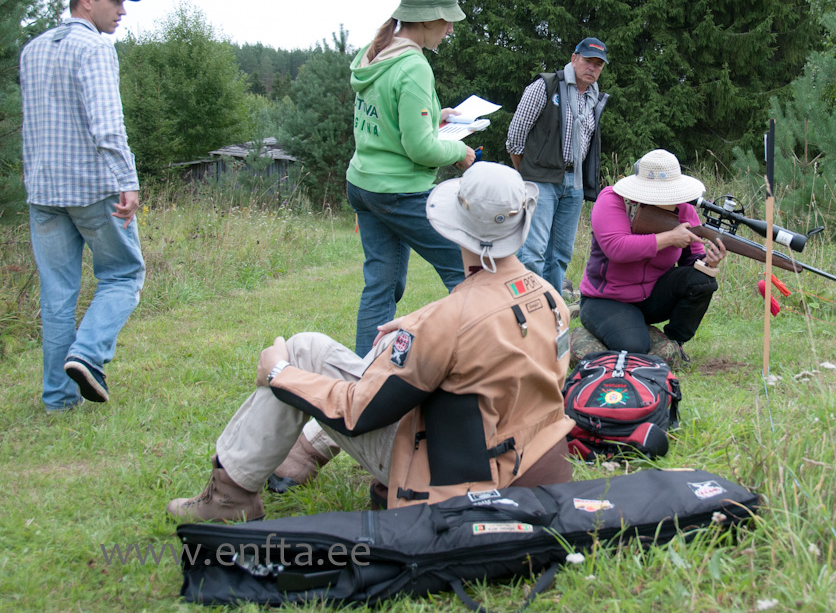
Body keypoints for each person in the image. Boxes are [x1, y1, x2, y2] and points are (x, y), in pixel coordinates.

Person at [167, 162, 574, 521]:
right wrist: (419, 323)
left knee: (300, 353)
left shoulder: (445, 323)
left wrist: (279, 373)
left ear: (457, 228)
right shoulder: (550, 297)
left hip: (457, 478)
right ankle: (297, 458)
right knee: (314, 348)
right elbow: (491, 331)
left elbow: (359, 413)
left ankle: (228, 496)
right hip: (529, 461)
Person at [19, 0, 146, 412]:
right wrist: (127, 180)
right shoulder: (95, 49)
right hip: (94, 188)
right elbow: (107, 124)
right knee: (124, 275)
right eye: (115, 1)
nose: (122, 12)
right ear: (85, 0)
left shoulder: (32, 50)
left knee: (57, 294)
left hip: (43, 191)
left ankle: (57, 398)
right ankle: (87, 354)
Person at [346, 0, 477, 358]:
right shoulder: (415, 66)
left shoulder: (374, 54)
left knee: (381, 285)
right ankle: (477, 362)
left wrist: (437, 115)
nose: (450, 29)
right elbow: (419, 148)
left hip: (363, 184)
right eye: (447, 21)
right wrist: (458, 151)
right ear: (426, 19)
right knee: (468, 271)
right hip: (398, 190)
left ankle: (361, 374)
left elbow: (389, 119)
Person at [578, 149, 726, 360]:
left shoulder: (685, 209)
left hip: (652, 296)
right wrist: (670, 238)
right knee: (634, 347)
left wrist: (709, 262)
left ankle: (674, 344)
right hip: (606, 299)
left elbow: (692, 262)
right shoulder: (612, 199)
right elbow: (617, 248)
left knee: (703, 280)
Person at [506, 37, 610, 294]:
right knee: (532, 252)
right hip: (540, 180)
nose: (592, 68)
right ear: (574, 58)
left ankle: (550, 308)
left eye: (598, 64)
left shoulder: (594, 98)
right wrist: (528, 174)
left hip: (573, 184)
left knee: (561, 254)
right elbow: (515, 137)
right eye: (588, 61)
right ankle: (524, 305)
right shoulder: (545, 86)